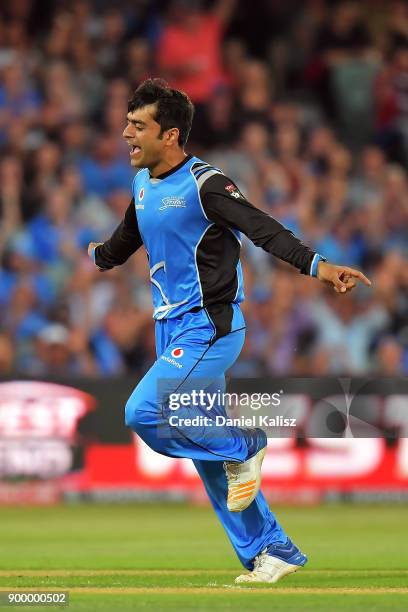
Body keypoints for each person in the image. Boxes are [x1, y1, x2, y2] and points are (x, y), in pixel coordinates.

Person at [88, 78, 371, 584]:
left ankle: (246, 443)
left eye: (138, 125)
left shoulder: (206, 184)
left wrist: (320, 266)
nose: (126, 133)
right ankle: (272, 550)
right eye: (127, 123)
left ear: (170, 135)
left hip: (210, 327)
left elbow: (262, 228)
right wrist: (100, 256)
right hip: (170, 331)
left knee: (143, 411)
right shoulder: (143, 183)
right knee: (213, 465)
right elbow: (129, 236)